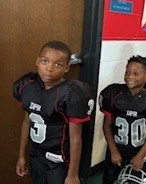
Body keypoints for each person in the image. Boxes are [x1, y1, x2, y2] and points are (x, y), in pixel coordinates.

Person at [14, 41, 93, 184]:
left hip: (59, 158)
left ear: (67, 68)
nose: (49, 68)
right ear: (37, 62)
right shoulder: (27, 86)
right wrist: (21, 155)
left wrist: (73, 174)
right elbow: (27, 121)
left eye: (58, 65)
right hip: (36, 154)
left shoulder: (72, 93)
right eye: (45, 61)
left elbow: (76, 137)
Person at [99, 56, 146, 184]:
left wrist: (140, 156)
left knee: (138, 180)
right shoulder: (113, 93)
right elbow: (107, 126)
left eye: (136, 74)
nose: (130, 76)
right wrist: (113, 151)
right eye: (127, 72)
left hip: (140, 150)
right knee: (109, 178)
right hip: (117, 149)